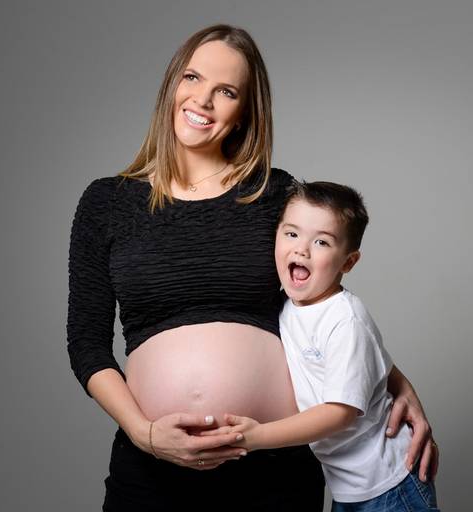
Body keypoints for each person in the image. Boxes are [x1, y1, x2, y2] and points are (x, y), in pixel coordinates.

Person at [67, 24, 437, 511]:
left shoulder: (274, 193)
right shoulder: (106, 202)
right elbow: (87, 343)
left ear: (244, 112)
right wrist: (144, 433)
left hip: (272, 470)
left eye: (226, 91)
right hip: (151, 467)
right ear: (172, 84)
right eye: (192, 78)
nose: (203, 100)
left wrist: (398, 383)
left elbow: (324, 304)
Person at [207, 181, 439, 511]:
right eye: (292, 234)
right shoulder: (287, 304)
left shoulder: (345, 319)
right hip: (348, 485)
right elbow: (379, 364)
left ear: (348, 262)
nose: (302, 250)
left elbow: (339, 413)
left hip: (388, 482)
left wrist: (257, 436)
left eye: (321, 242)